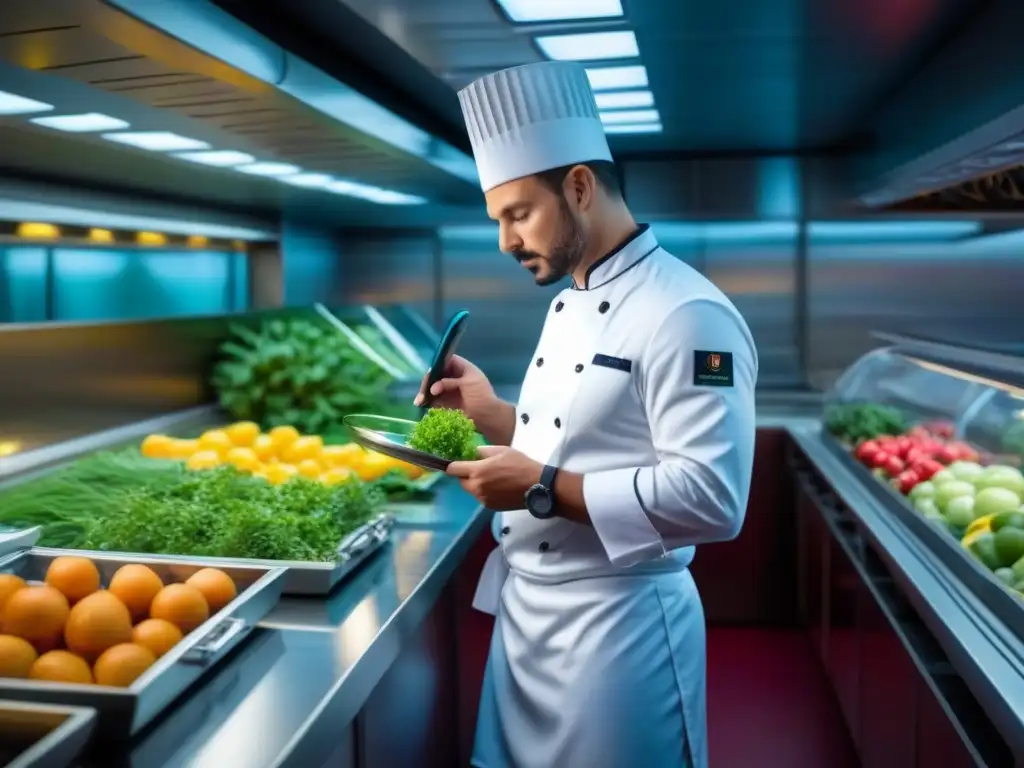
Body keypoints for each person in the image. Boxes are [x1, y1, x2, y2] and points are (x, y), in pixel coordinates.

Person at [415, 60, 758, 768]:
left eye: (518, 214)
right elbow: (588, 442)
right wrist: (497, 418)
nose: (506, 241)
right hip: (529, 622)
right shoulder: (569, 299)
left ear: (578, 187)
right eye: (498, 220)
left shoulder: (686, 314)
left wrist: (538, 484)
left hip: (619, 636)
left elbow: (714, 500)